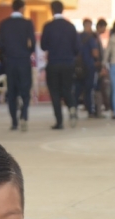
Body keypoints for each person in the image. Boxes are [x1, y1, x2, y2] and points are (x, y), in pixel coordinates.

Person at [40, 1, 80, 130]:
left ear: (52, 10)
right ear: (63, 10)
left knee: (55, 92)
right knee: (67, 89)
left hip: (53, 63)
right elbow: (77, 48)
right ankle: (72, 107)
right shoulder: (70, 26)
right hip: (68, 63)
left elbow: (43, 46)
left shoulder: (48, 26)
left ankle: (59, 122)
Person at [0, 0, 36, 131]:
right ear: (22, 8)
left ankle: (14, 122)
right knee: (25, 90)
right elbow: (33, 43)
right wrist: (27, 52)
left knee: (12, 92)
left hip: (10, 61)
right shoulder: (27, 23)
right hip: (24, 60)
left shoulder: (4, 23)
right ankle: (24, 115)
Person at [76, 18, 101, 117]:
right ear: (89, 25)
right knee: (89, 89)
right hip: (89, 66)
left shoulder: (78, 36)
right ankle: (90, 110)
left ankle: (73, 108)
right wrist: (97, 59)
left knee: (78, 88)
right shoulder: (91, 38)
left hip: (78, 67)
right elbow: (95, 53)